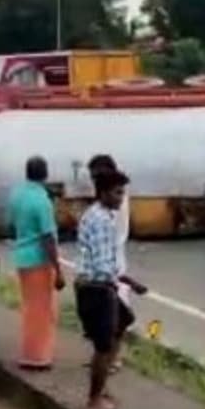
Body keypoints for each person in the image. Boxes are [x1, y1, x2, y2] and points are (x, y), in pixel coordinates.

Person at [74, 168, 138, 409]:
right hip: (97, 288)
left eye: (123, 192)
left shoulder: (102, 215)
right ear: (102, 193)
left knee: (124, 321)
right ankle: (94, 398)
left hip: (102, 285)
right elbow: (102, 267)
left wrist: (128, 280)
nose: (121, 198)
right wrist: (115, 283)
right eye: (117, 193)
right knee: (104, 344)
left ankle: (101, 388)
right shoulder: (100, 221)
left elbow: (105, 261)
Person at [86, 154, 145, 374]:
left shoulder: (113, 201)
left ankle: (112, 358)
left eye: (95, 176)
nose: (93, 180)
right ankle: (105, 357)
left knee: (116, 316)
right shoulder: (106, 203)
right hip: (105, 263)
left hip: (111, 261)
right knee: (106, 316)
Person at [7, 156, 63, 370]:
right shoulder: (42, 201)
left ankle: (29, 352)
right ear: (46, 174)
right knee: (43, 310)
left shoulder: (17, 194)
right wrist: (58, 269)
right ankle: (38, 356)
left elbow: (11, 227)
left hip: (21, 256)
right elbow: (48, 237)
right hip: (39, 259)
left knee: (30, 307)